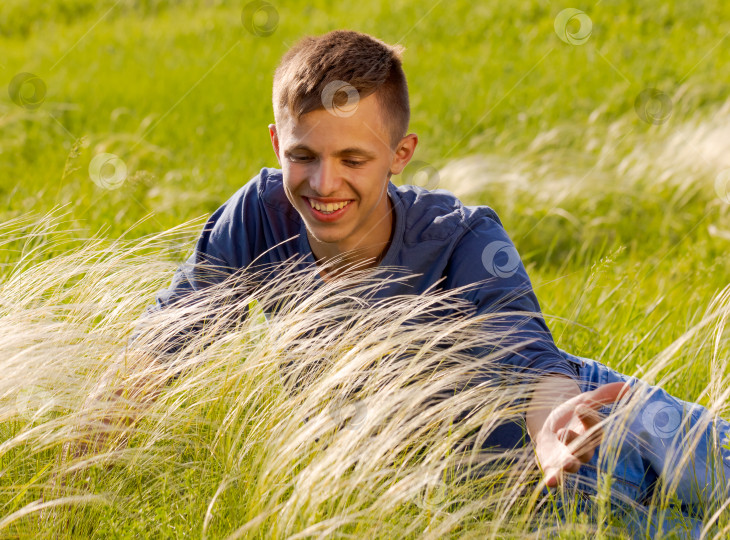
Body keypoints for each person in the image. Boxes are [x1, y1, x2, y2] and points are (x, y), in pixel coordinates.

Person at [77, 29, 730, 535]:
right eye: (303, 156)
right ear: (277, 143)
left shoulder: (462, 237)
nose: (323, 185)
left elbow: (529, 358)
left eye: (353, 159)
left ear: (400, 154)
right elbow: (172, 334)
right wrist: (93, 435)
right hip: (503, 492)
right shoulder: (258, 217)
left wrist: (554, 424)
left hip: (590, 421)